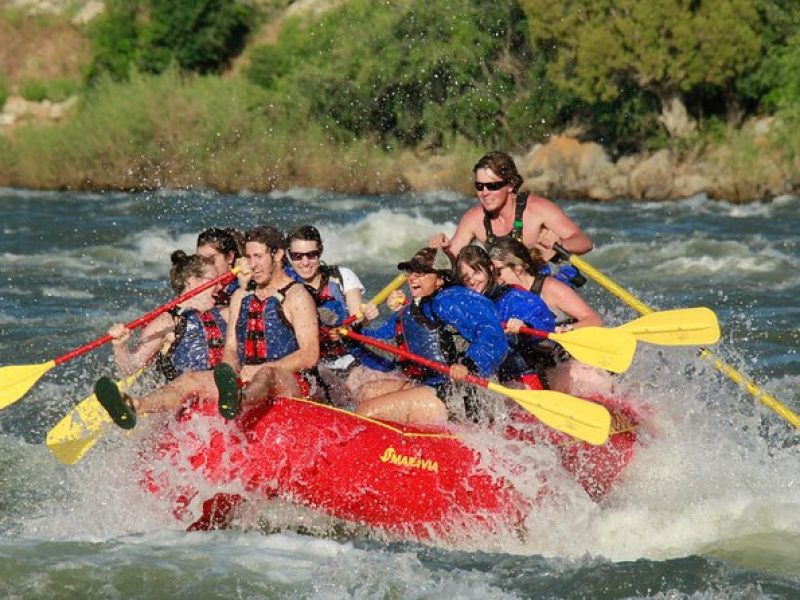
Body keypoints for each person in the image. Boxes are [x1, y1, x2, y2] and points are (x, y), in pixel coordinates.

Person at [94, 226, 320, 428]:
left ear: (278, 255)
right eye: (249, 257)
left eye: (258, 257)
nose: (252, 264)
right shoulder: (240, 297)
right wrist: (229, 374)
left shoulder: (297, 295)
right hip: (246, 380)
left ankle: (238, 398)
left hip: (289, 381)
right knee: (192, 379)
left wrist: (262, 369)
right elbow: (230, 349)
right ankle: (134, 405)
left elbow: (310, 355)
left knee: (267, 373)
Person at [352, 247, 508, 425]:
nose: (412, 278)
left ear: (440, 279)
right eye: (412, 273)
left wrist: (469, 364)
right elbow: (385, 350)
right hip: (431, 384)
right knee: (368, 391)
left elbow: (492, 333)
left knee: (367, 412)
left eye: (421, 273)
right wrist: (351, 337)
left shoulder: (451, 299)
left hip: (458, 393)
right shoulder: (408, 312)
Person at [429, 150, 591, 283]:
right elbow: (450, 258)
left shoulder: (538, 209)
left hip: (546, 287)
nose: (484, 193)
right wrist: (441, 250)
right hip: (509, 294)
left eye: (492, 186)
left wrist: (560, 245)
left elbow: (584, 242)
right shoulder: (474, 218)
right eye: (479, 186)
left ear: (510, 185)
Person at [486, 238, 611, 396]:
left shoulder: (550, 288)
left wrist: (567, 329)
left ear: (518, 268)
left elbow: (594, 320)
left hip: (572, 365)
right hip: (541, 371)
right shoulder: (502, 297)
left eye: (497, 272)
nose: (495, 279)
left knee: (588, 379)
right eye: (490, 274)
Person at [284, 225, 379, 402]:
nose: (305, 262)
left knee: (362, 390)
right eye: (297, 256)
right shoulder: (283, 285)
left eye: (311, 255)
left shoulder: (342, 276)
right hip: (309, 365)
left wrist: (366, 318)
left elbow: (357, 318)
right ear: (288, 255)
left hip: (349, 359)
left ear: (320, 251)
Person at [107, 251, 227, 379]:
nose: (220, 286)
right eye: (214, 280)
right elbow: (130, 368)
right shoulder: (167, 322)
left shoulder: (223, 313)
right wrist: (120, 346)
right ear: (191, 281)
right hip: (183, 394)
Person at [455, 244, 555, 389]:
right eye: (466, 277)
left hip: (527, 376)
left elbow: (545, 323)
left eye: (477, 272)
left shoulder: (514, 297)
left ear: (490, 268)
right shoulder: (469, 306)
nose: (472, 281)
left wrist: (525, 325)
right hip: (497, 379)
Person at [196, 227, 244, 306]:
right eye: (199, 260)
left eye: (210, 260)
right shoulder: (198, 288)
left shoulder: (243, 286)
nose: (203, 266)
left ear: (229, 257)